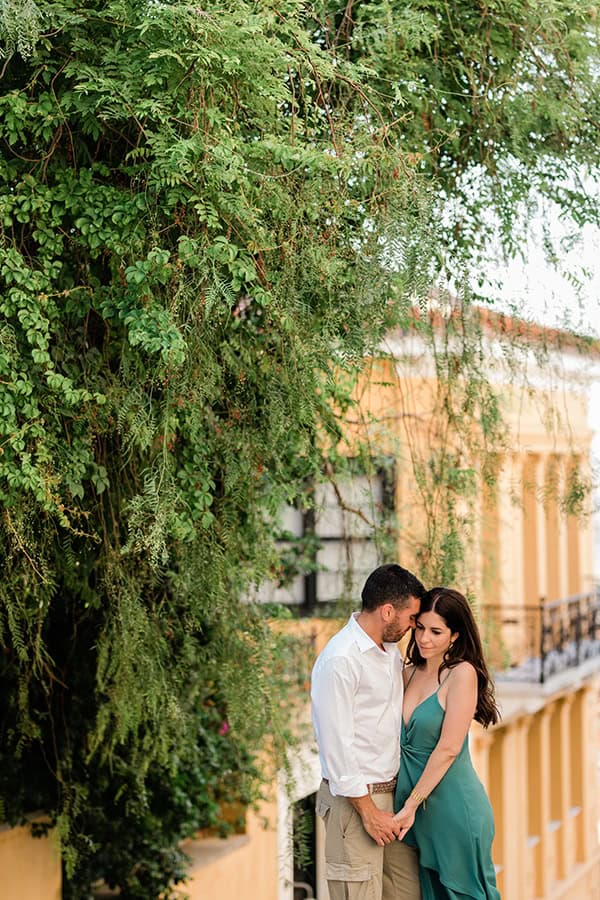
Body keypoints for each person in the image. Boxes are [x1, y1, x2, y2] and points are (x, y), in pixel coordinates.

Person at [311, 563, 426, 900]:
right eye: (410, 618)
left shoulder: (389, 652)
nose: (412, 628)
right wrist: (369, 812)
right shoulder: (340, 660)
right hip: (355, 803)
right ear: (388, 611)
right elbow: (337, 748)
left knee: (408, 893)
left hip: (392, 798)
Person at [393, 587, 501, 900]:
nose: (424, 639)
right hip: (418, 814)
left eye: (436, 631)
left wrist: (411, 805)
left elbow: (448, 748)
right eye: (421, 628)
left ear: (454, 635)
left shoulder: (461, 674)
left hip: (454, 809)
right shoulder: (407, 673)